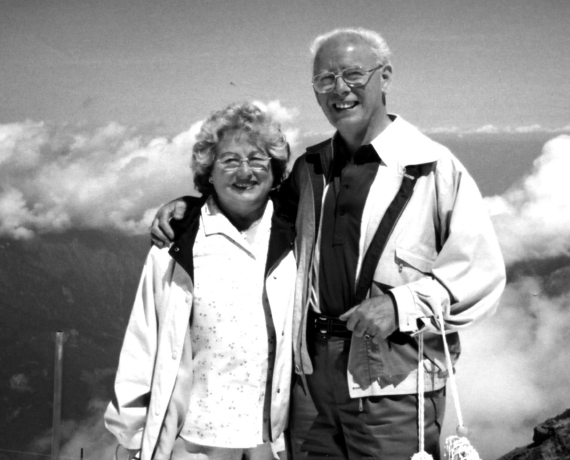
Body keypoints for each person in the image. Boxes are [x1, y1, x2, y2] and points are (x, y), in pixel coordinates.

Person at [150, 28, 506, 460]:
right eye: (325, 80)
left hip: (393, 380)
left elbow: (481, 270)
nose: (339, 90)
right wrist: (192, 206)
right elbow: (253, 213)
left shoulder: (432, 167)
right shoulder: (310, 167)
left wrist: (401, 304)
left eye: (353, 75)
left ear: (385, 77)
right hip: (310, 378)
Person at [105, 102, 296, 460]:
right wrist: (132, 437)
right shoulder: (176, 244)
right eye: (229, 160)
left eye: (257, 160)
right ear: (208, 171)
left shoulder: (296, 240)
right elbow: (142, 342)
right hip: (194, 443)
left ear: (275, 171)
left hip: (272, 443)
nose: (245, 172)